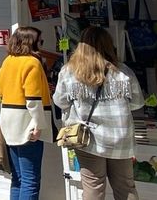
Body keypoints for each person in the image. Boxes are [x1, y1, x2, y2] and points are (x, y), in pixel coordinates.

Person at [52, 26, 144, 200]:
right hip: (121, 138)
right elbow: (137, 103)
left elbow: (60, 101)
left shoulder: (69, 72)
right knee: (126, 187)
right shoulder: (123, 71)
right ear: (108, 45)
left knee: (93, 186)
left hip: (87, 140)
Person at [0, 26, 53, 200]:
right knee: (30, 179)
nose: (41, 45)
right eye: (40, 41)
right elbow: (33, 98)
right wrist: (38, 124)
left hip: (9, 121)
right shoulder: (32, 62)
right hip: (27, 122)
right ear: (32, 42)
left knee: (18, 178)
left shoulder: (8, 61)